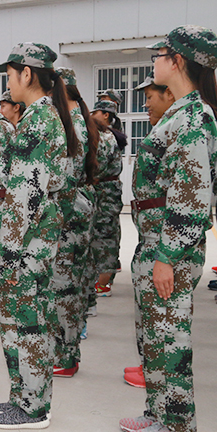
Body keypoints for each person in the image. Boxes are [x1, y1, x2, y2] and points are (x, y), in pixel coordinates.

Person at [121, 25, 217, 432]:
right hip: (156, 241)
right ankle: (158, 412)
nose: (154, 63)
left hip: (170, 247)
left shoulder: (194, 117)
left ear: (177, 61)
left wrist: (168, 256)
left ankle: (179, 428)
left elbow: (191, 197)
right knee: (154, 336)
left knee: (170, 337)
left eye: (158, 56)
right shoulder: (181, 112)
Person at [0, 42, 78, 429]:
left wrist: (10, 252)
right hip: (34, 237)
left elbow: (26, 195)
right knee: (27, 318)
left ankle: (33, 407)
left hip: (26, 241)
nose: (8, 84)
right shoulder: (43, 117)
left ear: (27, 74)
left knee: (27, 321)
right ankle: (25, 396)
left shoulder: (39, 120)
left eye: (10, 75)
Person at [124, 73, 176, 388]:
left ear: (169, 94)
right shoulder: (164, 128)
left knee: (161, 313)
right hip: (150, 234)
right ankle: (150, 366)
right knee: (149, 310)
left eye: (150, 97)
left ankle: (158, 373)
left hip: (161, 236)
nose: (145, 104)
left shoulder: (179, 129)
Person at [51, 67, 99, 378]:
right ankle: (68, 350)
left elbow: (65, 179)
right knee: (73, 283)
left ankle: (65, 356)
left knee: (64, 286)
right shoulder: (81, 120)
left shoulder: (72, 125)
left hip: (69, 214)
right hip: (79, 210)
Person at [89, 100, 123, 302]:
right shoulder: (106, 135)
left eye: (95, 112)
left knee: (105, 236)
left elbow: (98, 167)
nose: (92, 116)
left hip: (105, 193)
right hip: (105, 191)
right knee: (103, 234)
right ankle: (102, 280)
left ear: (105, 115)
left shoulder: (106, 137)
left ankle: (103, 283)